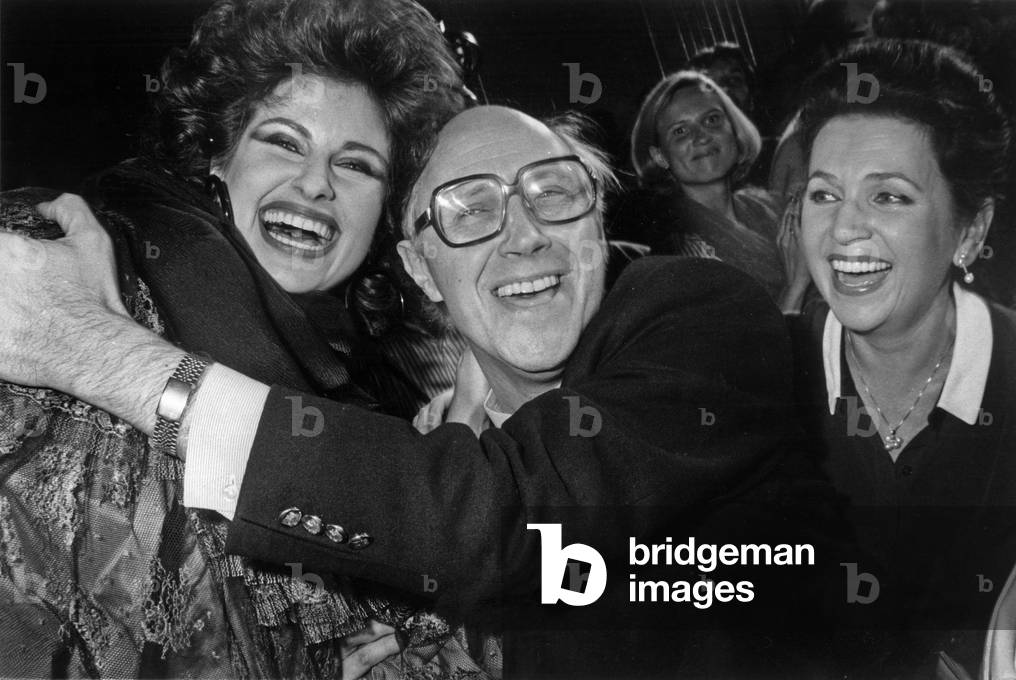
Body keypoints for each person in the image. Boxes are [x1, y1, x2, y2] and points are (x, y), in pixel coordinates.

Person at [0, 102, 850, 677]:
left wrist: (114, 360)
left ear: (598, 221)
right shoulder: (417, 428)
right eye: (468, 210)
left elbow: (509, 521)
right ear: (419, 264)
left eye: (555, 195)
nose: (521, 236)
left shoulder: (699, 313)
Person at [0, 0, 480, 678]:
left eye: (358, 166)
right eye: (284, 141)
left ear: (388, 212)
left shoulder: (378, 399)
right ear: (218, 158)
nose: (315, 183)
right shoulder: (65, 264)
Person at [785, 39, 1016, 677]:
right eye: (824, 194)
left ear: (970, 231)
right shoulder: (752, 377)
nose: (843, 230)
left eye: (888, 197)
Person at [628, 70, 796, 308]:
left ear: (734, 131)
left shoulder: (769, 207)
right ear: (659, 156)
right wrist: (796, 287)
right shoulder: (677, 247)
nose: (701, 137)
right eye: (680, 131)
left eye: (712, 120)